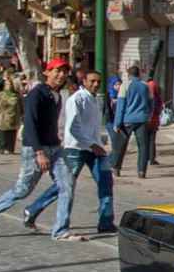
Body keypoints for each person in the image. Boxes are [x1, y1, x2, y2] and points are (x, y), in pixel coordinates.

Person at [0, 61, 74, 238]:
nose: (61, 75)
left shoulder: (55, 95)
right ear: (47, 72)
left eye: (65, 72)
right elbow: (30, 125)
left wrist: (57, 141)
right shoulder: (37, 94)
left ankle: (60, 231)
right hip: (36, 149)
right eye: (57, 71)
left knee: (67, 184)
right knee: (23, 189)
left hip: (54, 147)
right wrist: (39, 152)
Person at [30, 68, 116, 242]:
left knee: (106, 183)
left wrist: (98, 144)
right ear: (83, 81)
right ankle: (33, 210)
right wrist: (91, 144)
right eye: (92, 81)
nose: (95, 85)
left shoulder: (97, 101)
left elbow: (94, 126)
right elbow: (73, 127)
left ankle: (106, 220)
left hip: (95, 149)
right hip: (76, 149)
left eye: (98, 82)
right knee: (64, 186)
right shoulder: (75, 99)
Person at [110, 65, 154, 178]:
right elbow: (151, 103)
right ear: (139, 75)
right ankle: (141, 171)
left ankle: (116, 168)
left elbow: (120, 106)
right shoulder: (146, 86)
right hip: (143, 119)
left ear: (129, 75)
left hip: (127, 120)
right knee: (143, 145)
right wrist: (148, 116)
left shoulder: (125, 86)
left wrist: (117, 123)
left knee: (121, 144)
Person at [0, 75, 24, 155]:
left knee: (12, 134)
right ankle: (2, 148)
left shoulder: (16, 96)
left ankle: (10, 148)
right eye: (7, 85)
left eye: (10, 85)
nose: (9, 86)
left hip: (14, 118)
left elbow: (21, 106)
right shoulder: (0, 95)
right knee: (3, 134)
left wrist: (22, 115)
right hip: (3, 118)